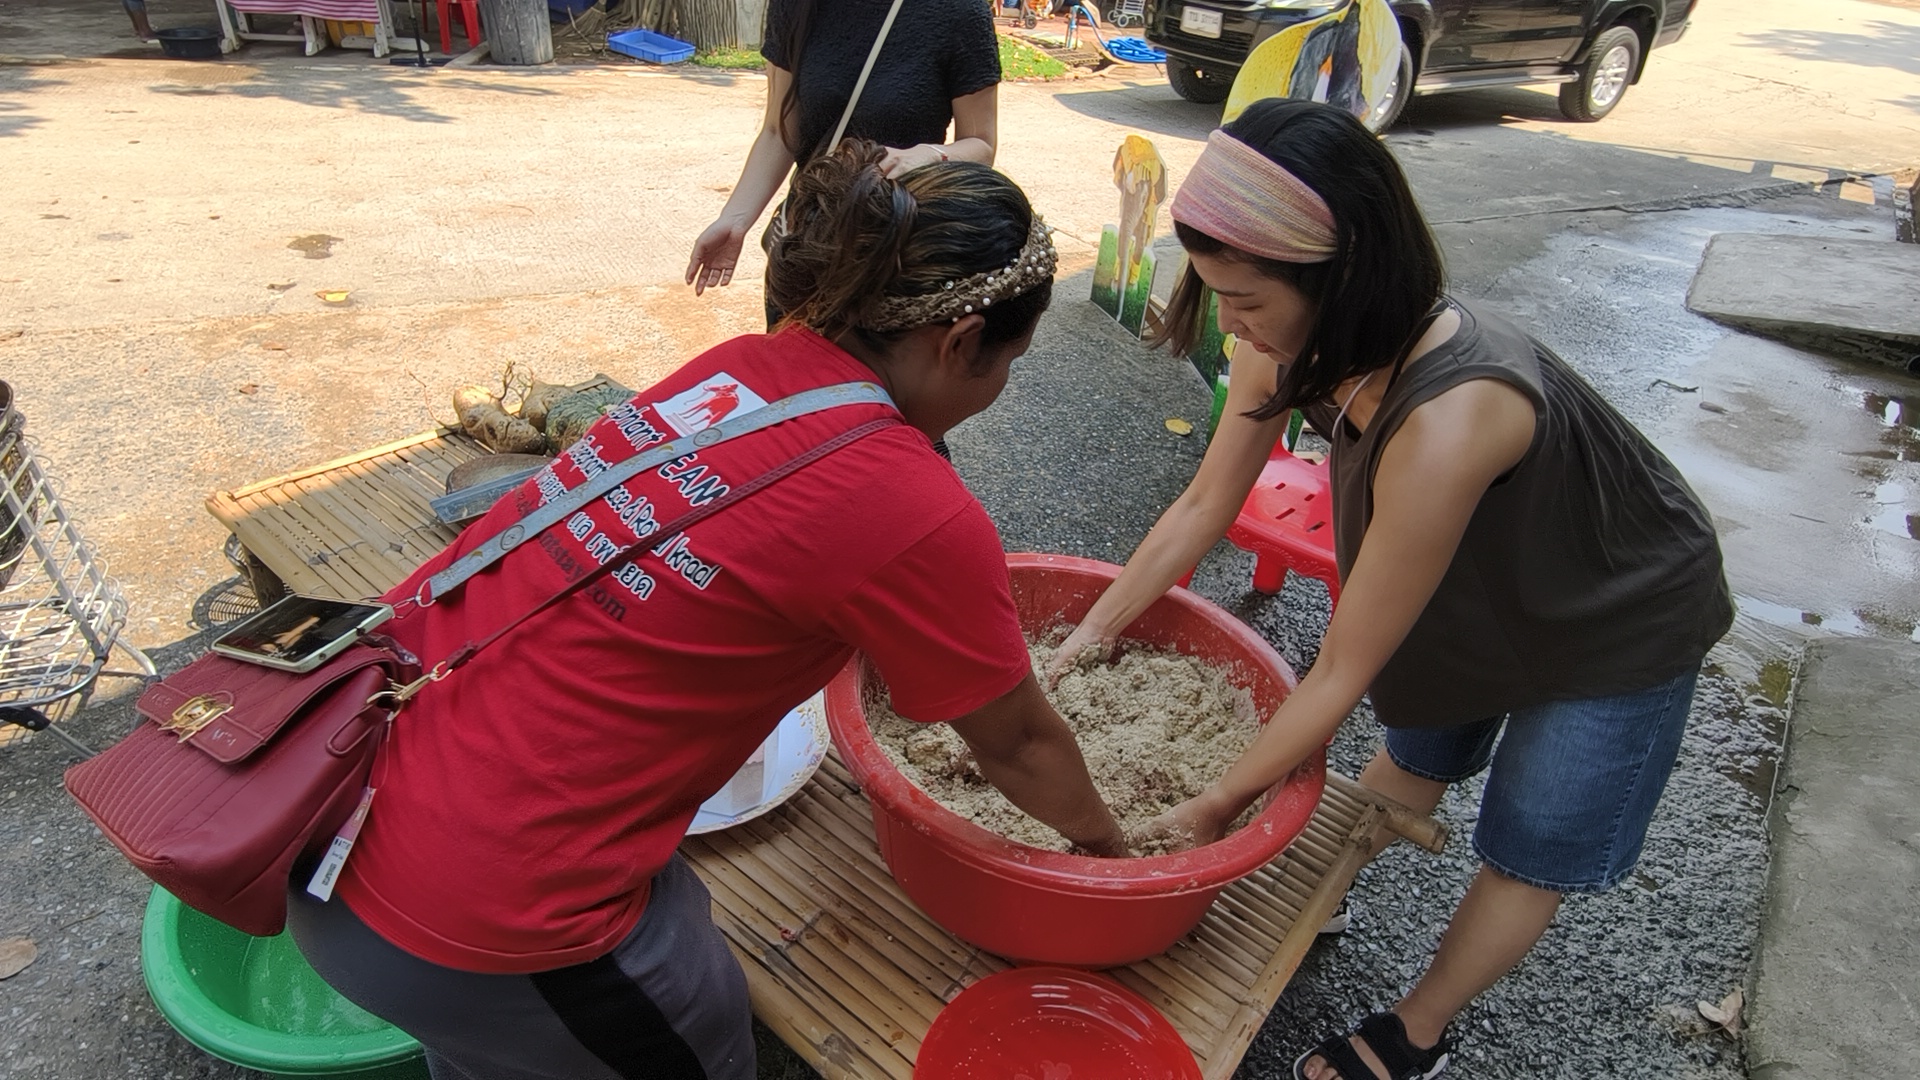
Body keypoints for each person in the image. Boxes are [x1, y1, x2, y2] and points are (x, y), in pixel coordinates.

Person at [290, 142, 1127, 1080]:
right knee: (695, 1036)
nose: (999, 386)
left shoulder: (736, 369)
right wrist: (1106, 846)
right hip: (484, 917)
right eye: (1007, 360)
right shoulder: (908, 503)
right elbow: (1016, 743)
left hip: (328, 805)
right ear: (962, 340)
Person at [1050, 99, 1733, 1080]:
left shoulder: (1455, 412)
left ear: (1345, 276)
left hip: (1621, 609)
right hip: (1477, 577)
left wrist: (1214, 808)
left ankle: (1418, 1028)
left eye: (1244, 299)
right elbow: (1203, 505)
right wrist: (1088, 637)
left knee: (1529, 838)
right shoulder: (1279, 331)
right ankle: (1316, 895)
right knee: (1417, 747)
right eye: (1216, 293)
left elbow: (1335, 673)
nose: (1229, 324)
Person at [684, 0, 1002, 302]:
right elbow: (779, 132)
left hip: (896, 255)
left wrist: (929, 155)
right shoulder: (795, 5)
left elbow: (981, 145)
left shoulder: (960, 11)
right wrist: (735, 218)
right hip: (809, 248)